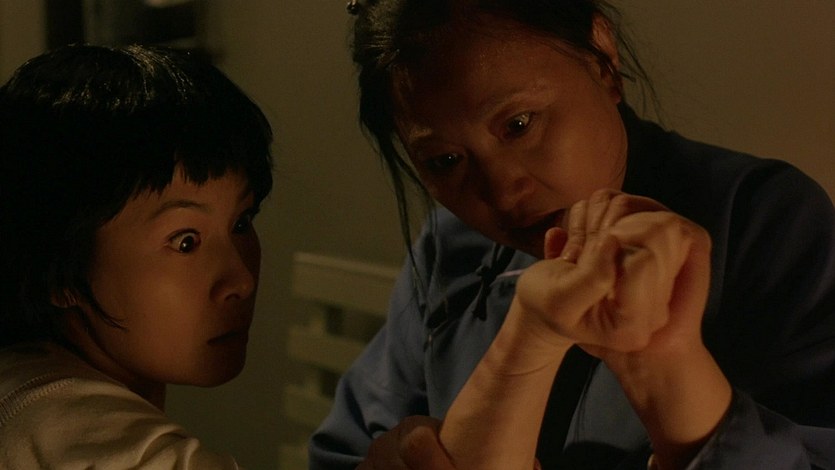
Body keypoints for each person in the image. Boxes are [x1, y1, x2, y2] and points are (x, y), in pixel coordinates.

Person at [309, 1, 835, 469]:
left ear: (602, 59)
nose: (502, 189)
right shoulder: (452, 246)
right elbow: (352, 442)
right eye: (446, 161)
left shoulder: (760, 220)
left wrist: (667, 367)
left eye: (519, 124)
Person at [0, 43, 273, 468]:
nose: (242, 280)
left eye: (241, 222)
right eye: (185, 241)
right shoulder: (72, 432)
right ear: (60, 271)